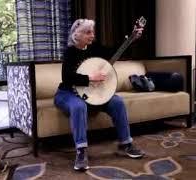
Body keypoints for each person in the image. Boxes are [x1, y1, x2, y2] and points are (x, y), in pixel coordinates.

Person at [54, 18, 145, 171]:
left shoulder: (94, 48)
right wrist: (90, 78)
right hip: (67, 92)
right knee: (78, 106)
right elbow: (67, 77)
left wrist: (132, 38)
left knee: (117, 102)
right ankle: (81, 151)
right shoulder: (70, 52)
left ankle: (126, 144)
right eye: (88, 32)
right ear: (77, 35)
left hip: (91, 92)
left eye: (92, 32)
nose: (92, 35)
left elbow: (114, 51)